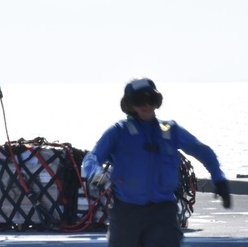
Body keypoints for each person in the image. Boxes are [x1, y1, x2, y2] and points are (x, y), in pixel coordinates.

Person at [81, 78, 232, 247]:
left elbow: (202, 151)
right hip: (127, 213)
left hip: (163, 213)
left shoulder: (169, 130)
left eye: (151, 99)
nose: (146, 105)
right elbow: (91, 158)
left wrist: (219, 179)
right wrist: (96, 173)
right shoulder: (118, 132)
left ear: (157, 101)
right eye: (139, 101)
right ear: (130, 105)